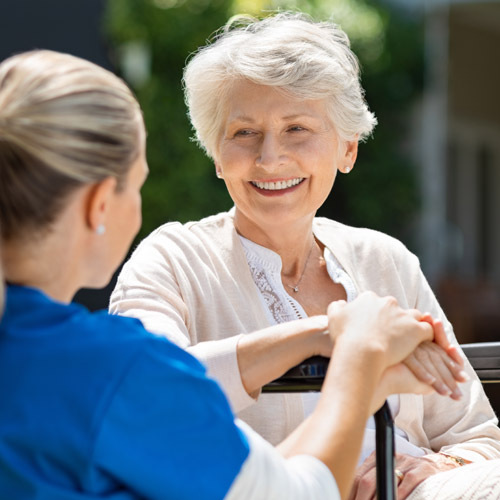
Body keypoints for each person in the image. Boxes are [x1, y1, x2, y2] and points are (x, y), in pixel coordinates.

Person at [0, 48, 453, 500]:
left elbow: (259, 486)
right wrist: (359, 356)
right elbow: (294, 495)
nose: (270, 157)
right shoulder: (115, 370)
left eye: (296, 128)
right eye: (138, 183)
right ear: (100, 204)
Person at [109, 11, 500, 500]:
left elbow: (477, 434)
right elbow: (144, 393)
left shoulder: (385, 259)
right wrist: (329, 335)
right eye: (244, 132)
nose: (270, 157)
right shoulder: (172, 259)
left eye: (297, 128)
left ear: (347, 149)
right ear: (216, 153)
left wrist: (428, 468)